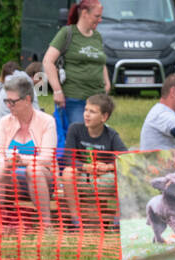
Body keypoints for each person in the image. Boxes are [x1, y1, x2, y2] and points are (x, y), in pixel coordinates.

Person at [0, 72, 59, 233]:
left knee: (33, 170)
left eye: (13, 102)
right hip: (12, 179)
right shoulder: (5, 122)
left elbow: (47, 159)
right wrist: (5, 165)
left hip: (43, 179)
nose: (8, 106)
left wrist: (20, 160)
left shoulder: (47, 122)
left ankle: (46, 225)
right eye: (7, 101)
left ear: (27, 100)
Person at [44, 1, 112, 158]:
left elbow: (100, 61)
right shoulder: (67, 33)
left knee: (96, 140)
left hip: (98, 100)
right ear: (84, 13)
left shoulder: (97, 37)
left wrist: (106, 82)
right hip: (75, 99)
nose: (100, 20)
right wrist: (57, 90)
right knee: (79, 140)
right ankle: (72, 173)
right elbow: (48, 61)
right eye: (97, 16)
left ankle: (93, 173)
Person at [58, 92, 124, 229]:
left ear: (104, 117)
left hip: (104, 179)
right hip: (83, 177)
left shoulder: (111, 135)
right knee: (68, 172)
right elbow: (68, 158)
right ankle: (76, 221)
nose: (86, 115)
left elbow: (126, 158)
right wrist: (85, 167)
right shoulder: (75, 129)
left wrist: (107, 167)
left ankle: (118, 222)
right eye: (86, 110)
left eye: (92, 112)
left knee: (124, 174)